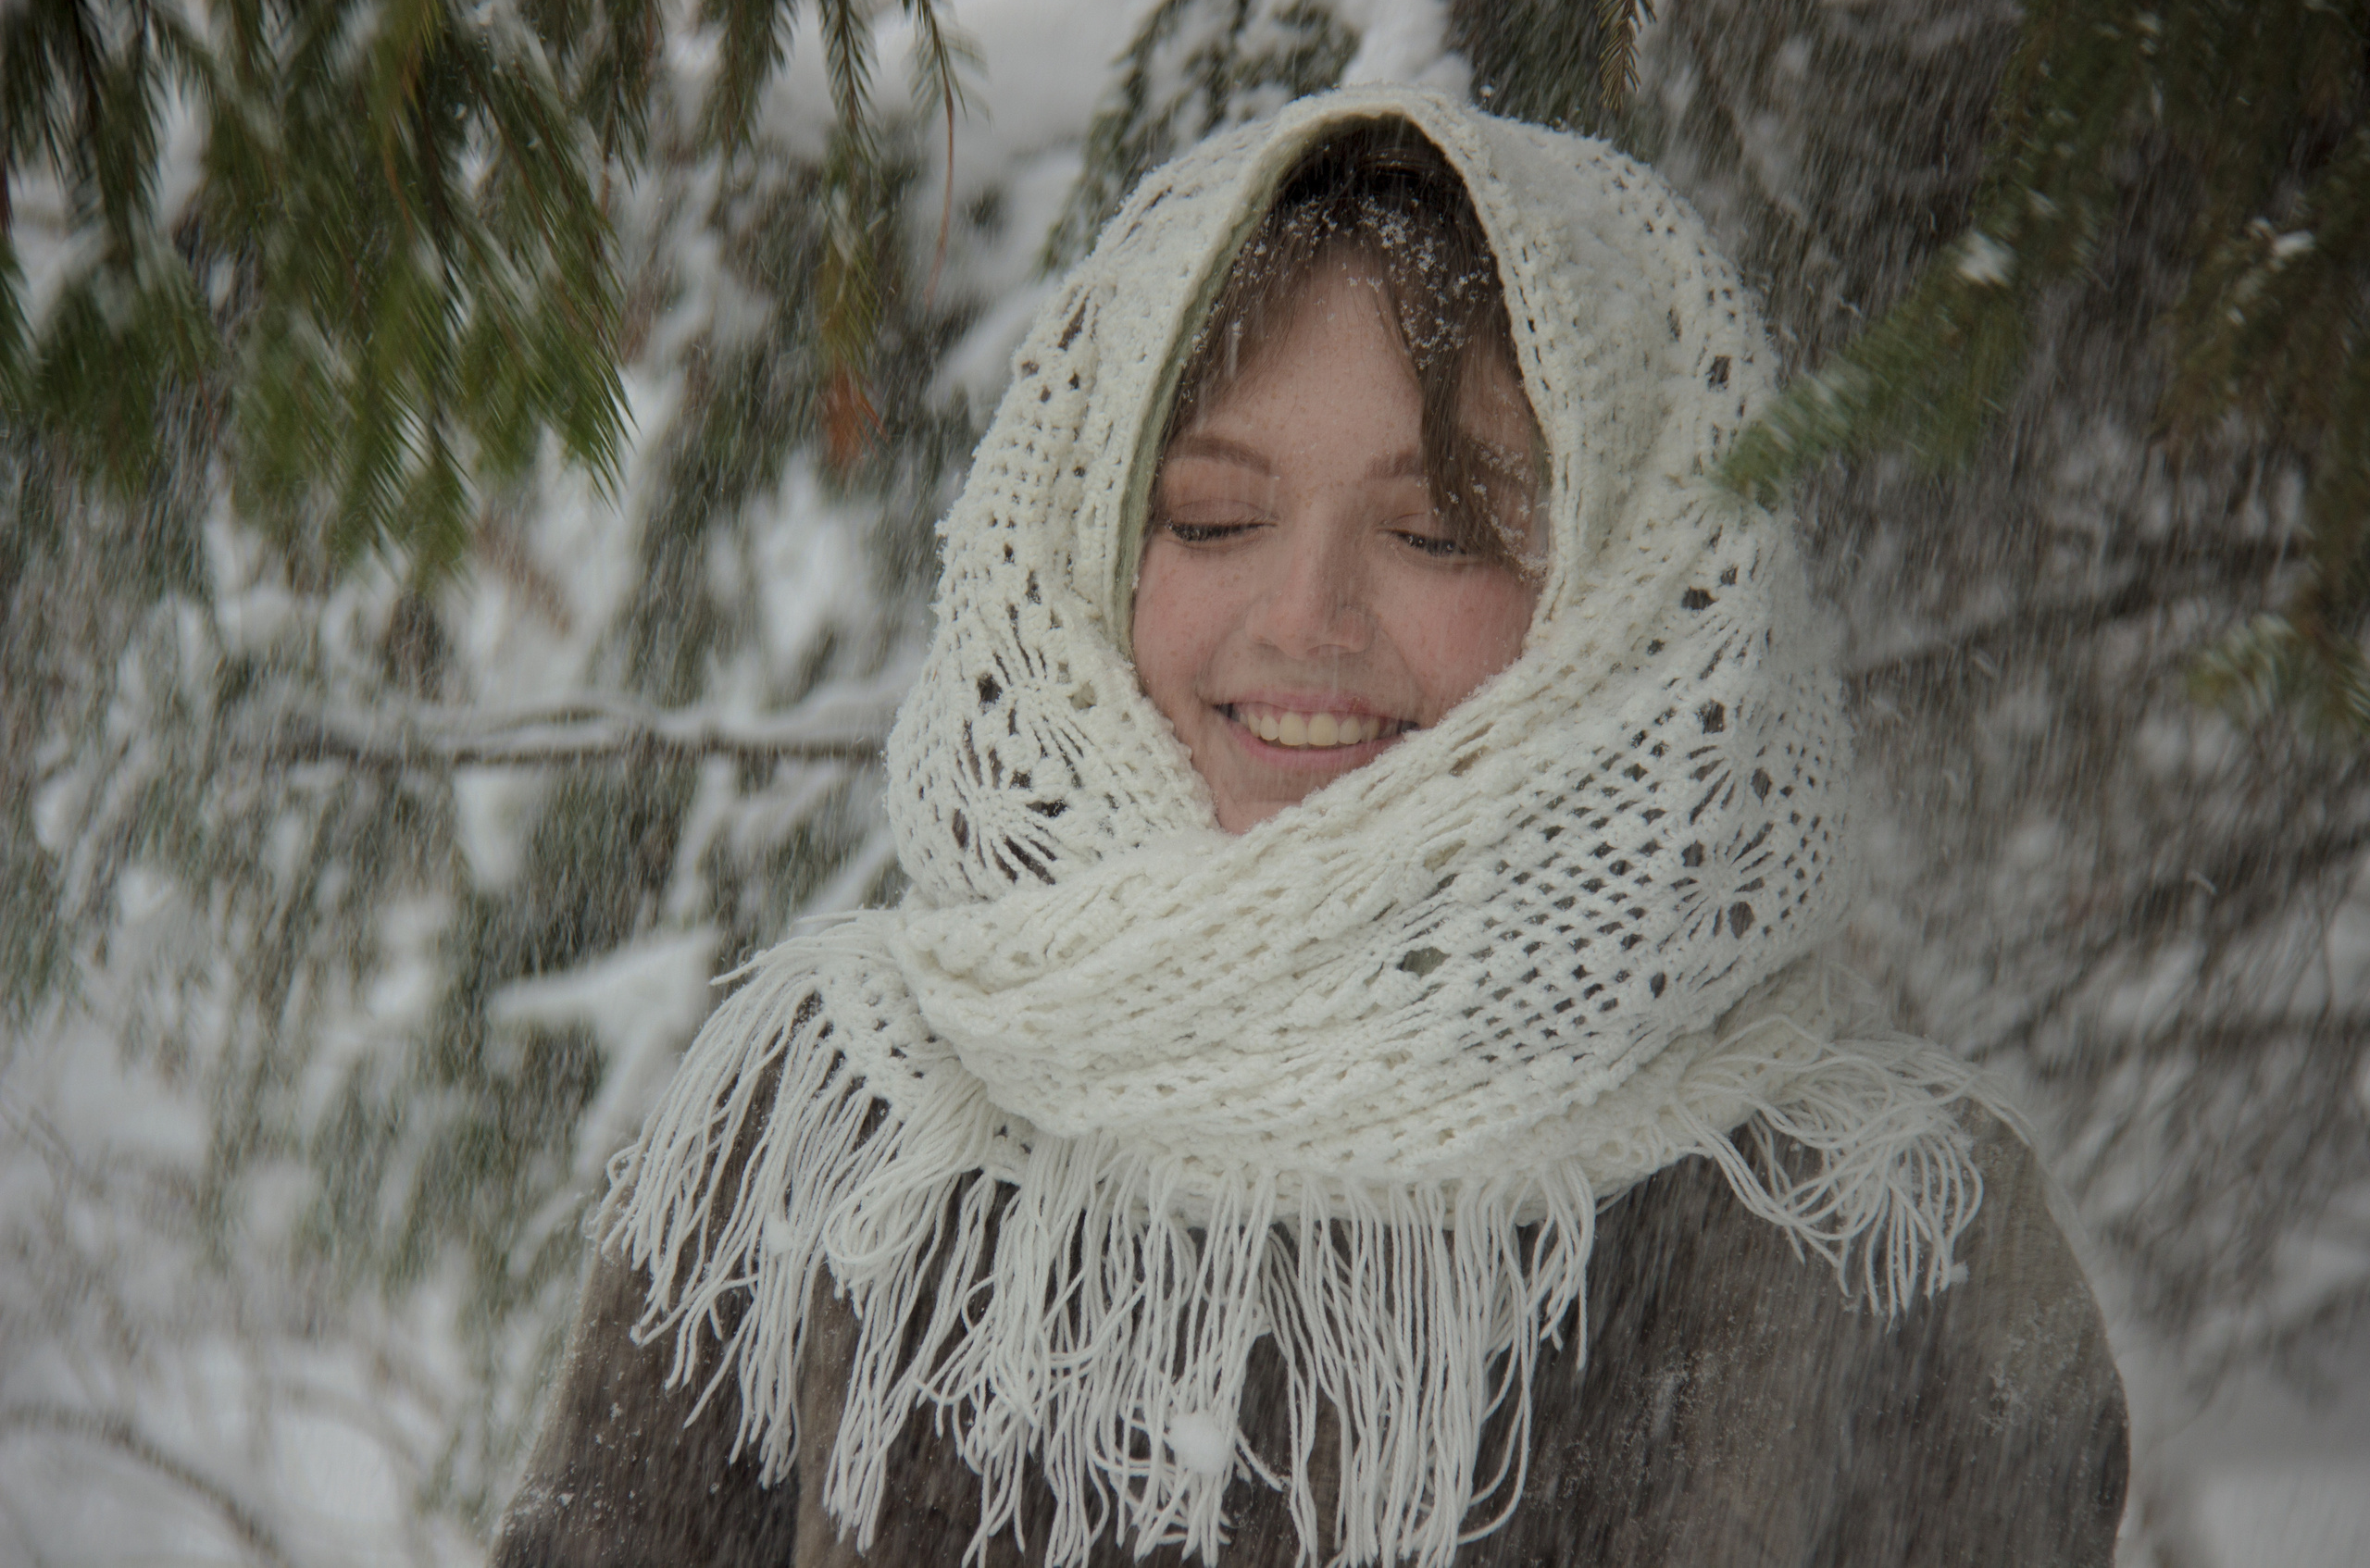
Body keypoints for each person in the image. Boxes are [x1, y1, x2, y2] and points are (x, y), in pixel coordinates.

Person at [494, 86, 2128, 1568]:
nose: (1308, 617)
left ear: (1638, 595)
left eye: (1436, 530)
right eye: (1214, 516)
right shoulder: (835, 1123)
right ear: (1085, 540)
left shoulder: (1883, 1226)